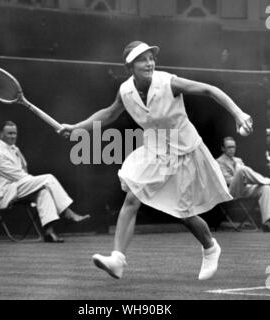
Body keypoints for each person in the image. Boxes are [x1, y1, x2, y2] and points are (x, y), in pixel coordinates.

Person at [59, 41, 253, 280]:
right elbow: (109, 113)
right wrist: (77, 128)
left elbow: (209, 90)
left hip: (186, 151)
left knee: (185, 213)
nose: (149, 63)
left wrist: (238, 113)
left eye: (151, 58)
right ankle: (117, 259)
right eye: (143, 59)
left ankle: (211, 247)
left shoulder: (168, 82)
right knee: (132, 196)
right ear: (130, 66)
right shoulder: (125, 91)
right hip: (155, 150)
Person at [0, 121, 90, 243]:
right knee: (48, 179)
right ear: (1, 134)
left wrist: (36, 183)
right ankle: (67, 213)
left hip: (19, 185)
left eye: (15, 133)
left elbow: (23, 173)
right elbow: (19, 176)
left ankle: (49, 233)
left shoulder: (14, 149)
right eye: (9, 133)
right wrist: (36, 182)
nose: (13, 136)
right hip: (7, 191)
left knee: (44, 191)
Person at [216, 136, 270, 233]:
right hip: (230, 192)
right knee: (242, 170)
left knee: (265, 188)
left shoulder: (238, 160)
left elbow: (247, 177)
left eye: (233, 147)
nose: (232, 150)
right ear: (223, 149)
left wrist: (245, 179)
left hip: (244, 189)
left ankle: (267, 222)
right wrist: (242, 178)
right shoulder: (218, 162)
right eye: (229, 147)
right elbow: (228, 181)